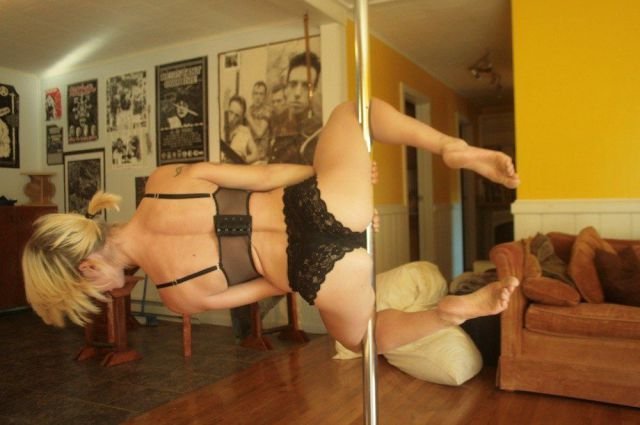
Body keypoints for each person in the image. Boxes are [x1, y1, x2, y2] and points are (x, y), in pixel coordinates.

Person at [22, 98, 520, 352]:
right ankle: (450, 148)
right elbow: (265, 177)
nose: (106, 295)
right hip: (318, 203)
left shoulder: (177, 297)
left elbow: (274, 285)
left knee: (363, 338)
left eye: (90, 294)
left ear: (88, 267)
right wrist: (338, 184)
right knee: (355, 112)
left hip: (317, 269)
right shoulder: (160, 183)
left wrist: (343, 243)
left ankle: (447, 315)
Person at [269, 52, 322, 165]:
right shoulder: (278, 121)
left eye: (306, 86)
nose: (297, 93)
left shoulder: (319, 131)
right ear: (287, 88)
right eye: (293, 84)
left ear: (315, 90)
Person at [223, 95, 260, 164]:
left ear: (241, 117)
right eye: (231, 112)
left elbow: (256, 154)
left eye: (237, 115)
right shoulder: (218, 127)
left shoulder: (244, 131)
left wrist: (243, 160)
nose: (232, 118)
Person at [246, 81, 272, 162]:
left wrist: (249, 118)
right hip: (249, 153)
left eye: (261, 94)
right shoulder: (249, 110)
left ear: (265, 96)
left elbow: (259, 132)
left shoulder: (267, 110)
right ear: (252, 95)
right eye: (255, 93)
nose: (258, 97)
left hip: (261, 157)